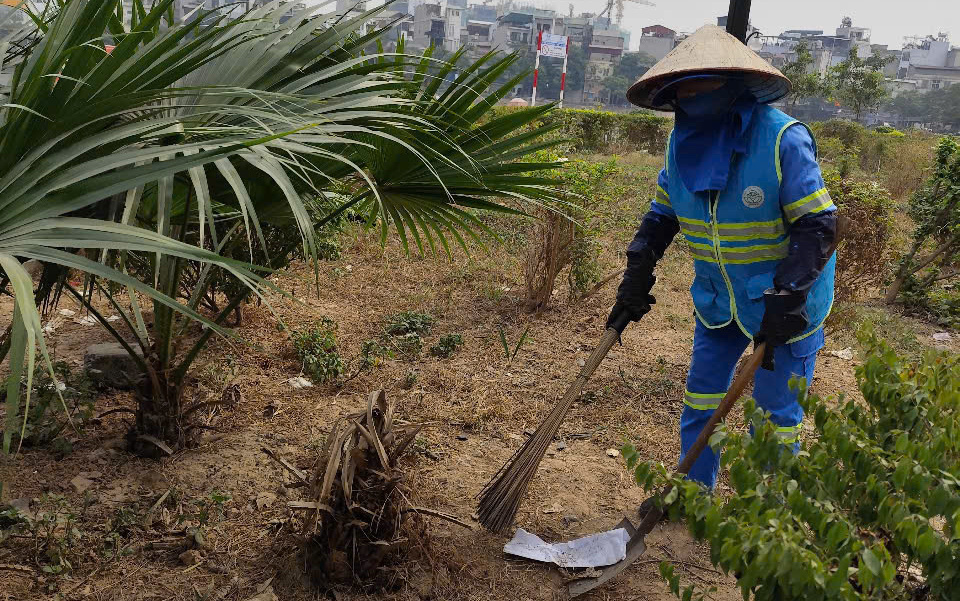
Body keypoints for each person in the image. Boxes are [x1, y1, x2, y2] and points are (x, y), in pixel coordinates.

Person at [607, 26, 837, 513]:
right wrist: (636, 273)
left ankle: (767, 515)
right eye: (683, 91)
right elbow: (661, 217)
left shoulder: (782, 140)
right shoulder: (679, 146)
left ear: (734, 85)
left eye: (703, 86)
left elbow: (818, 225)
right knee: (701, 398)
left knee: (776, 416)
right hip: (718, 299)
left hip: (784, 306)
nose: (693, 99)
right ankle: (692, 493)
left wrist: (788, 295)